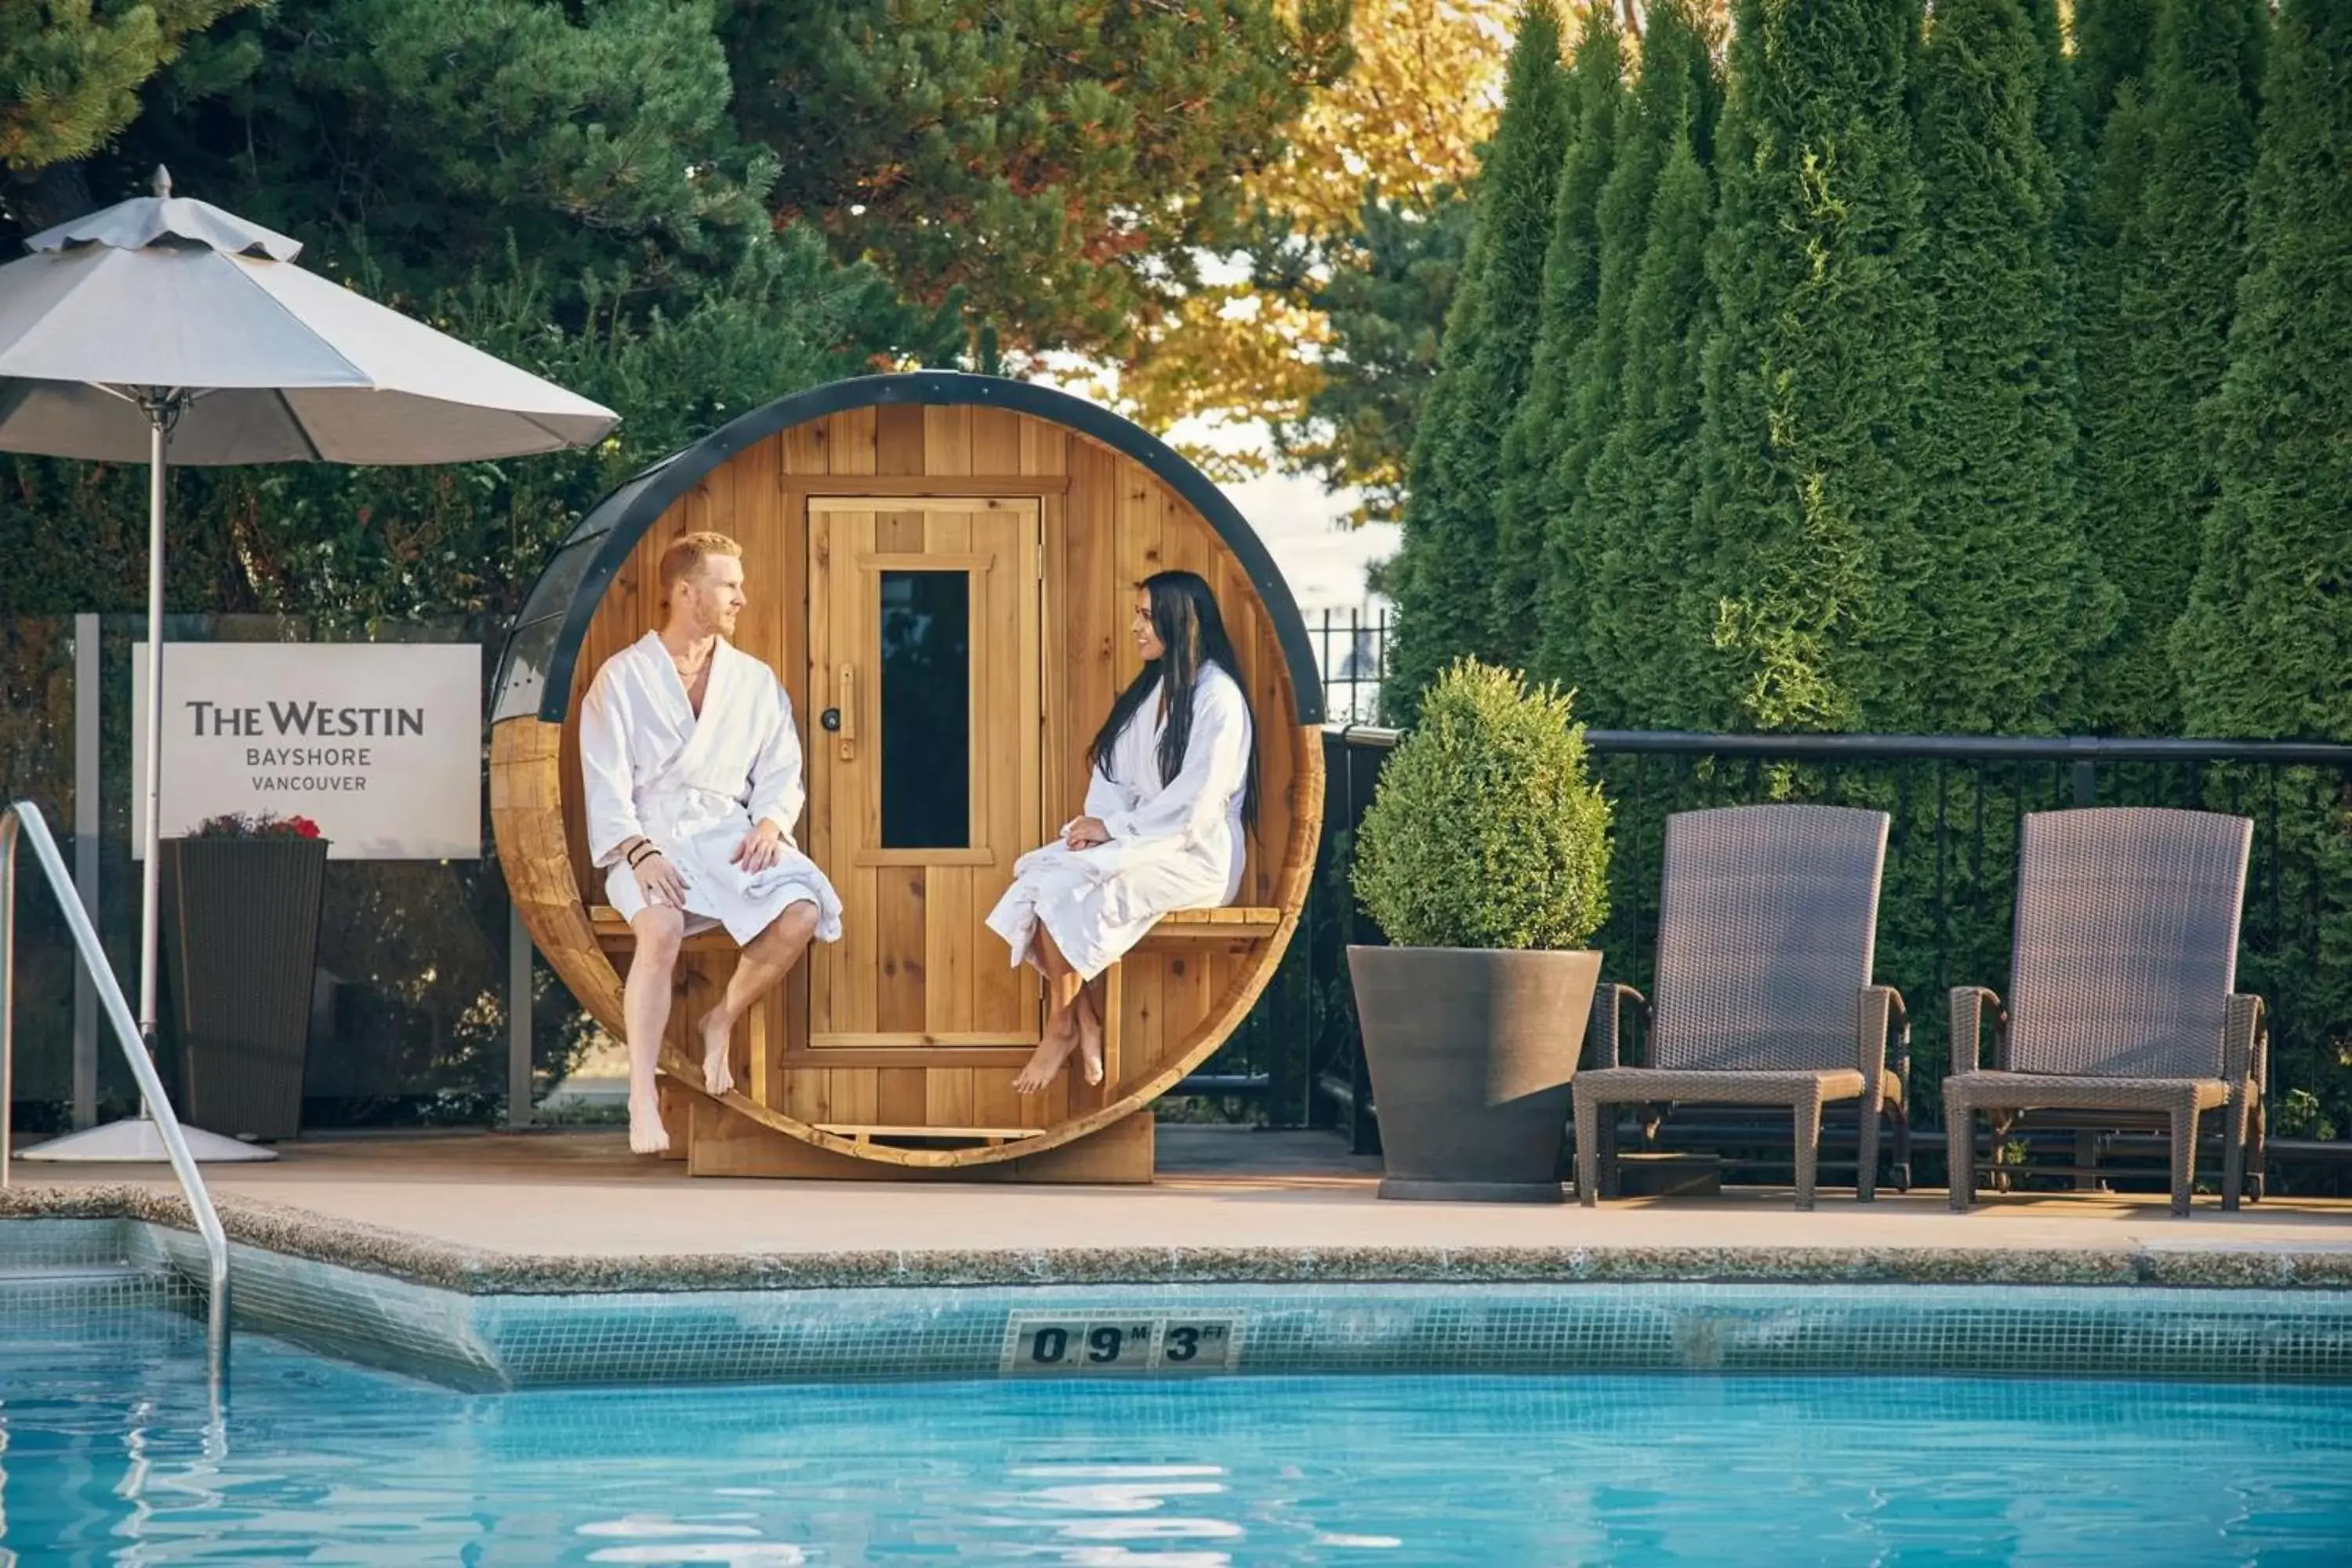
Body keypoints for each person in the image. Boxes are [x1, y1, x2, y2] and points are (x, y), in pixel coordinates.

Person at [579, 531, 844, 1154]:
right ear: (685, 592)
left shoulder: (752, 681)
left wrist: (772, 823)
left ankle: (720, 1017)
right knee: (662, 928)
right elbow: (605, 779)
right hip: (648, 839)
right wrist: (640, 853)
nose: (741, 599)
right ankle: (642, 1093)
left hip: (729, 833)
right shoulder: (623, 678)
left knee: (803, 907)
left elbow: (782, 769)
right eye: (729, 586)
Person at [985, 569, 1259, 1094]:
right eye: (1137, 614)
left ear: (1183, 622)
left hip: (1196, 856)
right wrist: (1100, 831)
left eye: (1147, 616)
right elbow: (1112, 777)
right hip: (1141, 841)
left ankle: (1061, 1026)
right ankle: (1083, 1019)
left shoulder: (1218, 699)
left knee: (1066, 887)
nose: (1136, 627)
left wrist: (1112, 829)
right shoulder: (1151, 692)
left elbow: (1196, 802)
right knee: (1035, 876)